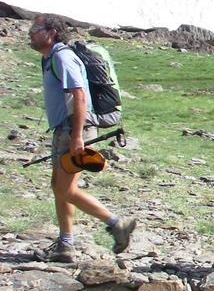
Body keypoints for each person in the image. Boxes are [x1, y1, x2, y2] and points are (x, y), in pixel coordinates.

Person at [29, 14, 136, 262]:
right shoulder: (51, 58)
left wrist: (77, 136)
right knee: (60, 187)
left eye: (35, 29)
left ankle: (116, 224)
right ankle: (65, 246)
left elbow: (79, 95)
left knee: (65, 188)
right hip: (64, 129)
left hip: (75, 128)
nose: (30, 33)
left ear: (51, 32)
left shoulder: (62, 56)